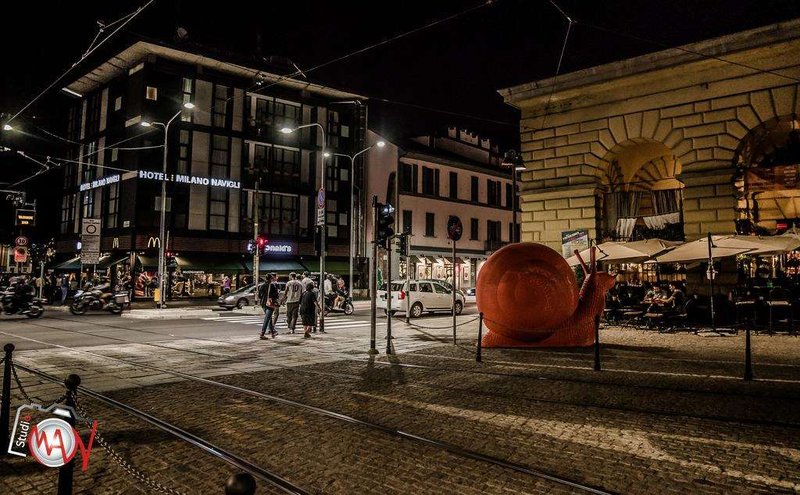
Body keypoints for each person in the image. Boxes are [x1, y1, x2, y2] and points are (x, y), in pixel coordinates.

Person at [258, 274, 279, 339]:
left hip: (263, 303)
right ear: (270, 279)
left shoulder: (262, 285)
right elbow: (276, 295)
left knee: (269, 318)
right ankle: (262, 333)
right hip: (270, 304)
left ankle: (273, 332)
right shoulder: (272, 285)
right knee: (267, 319)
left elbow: (259, 295)